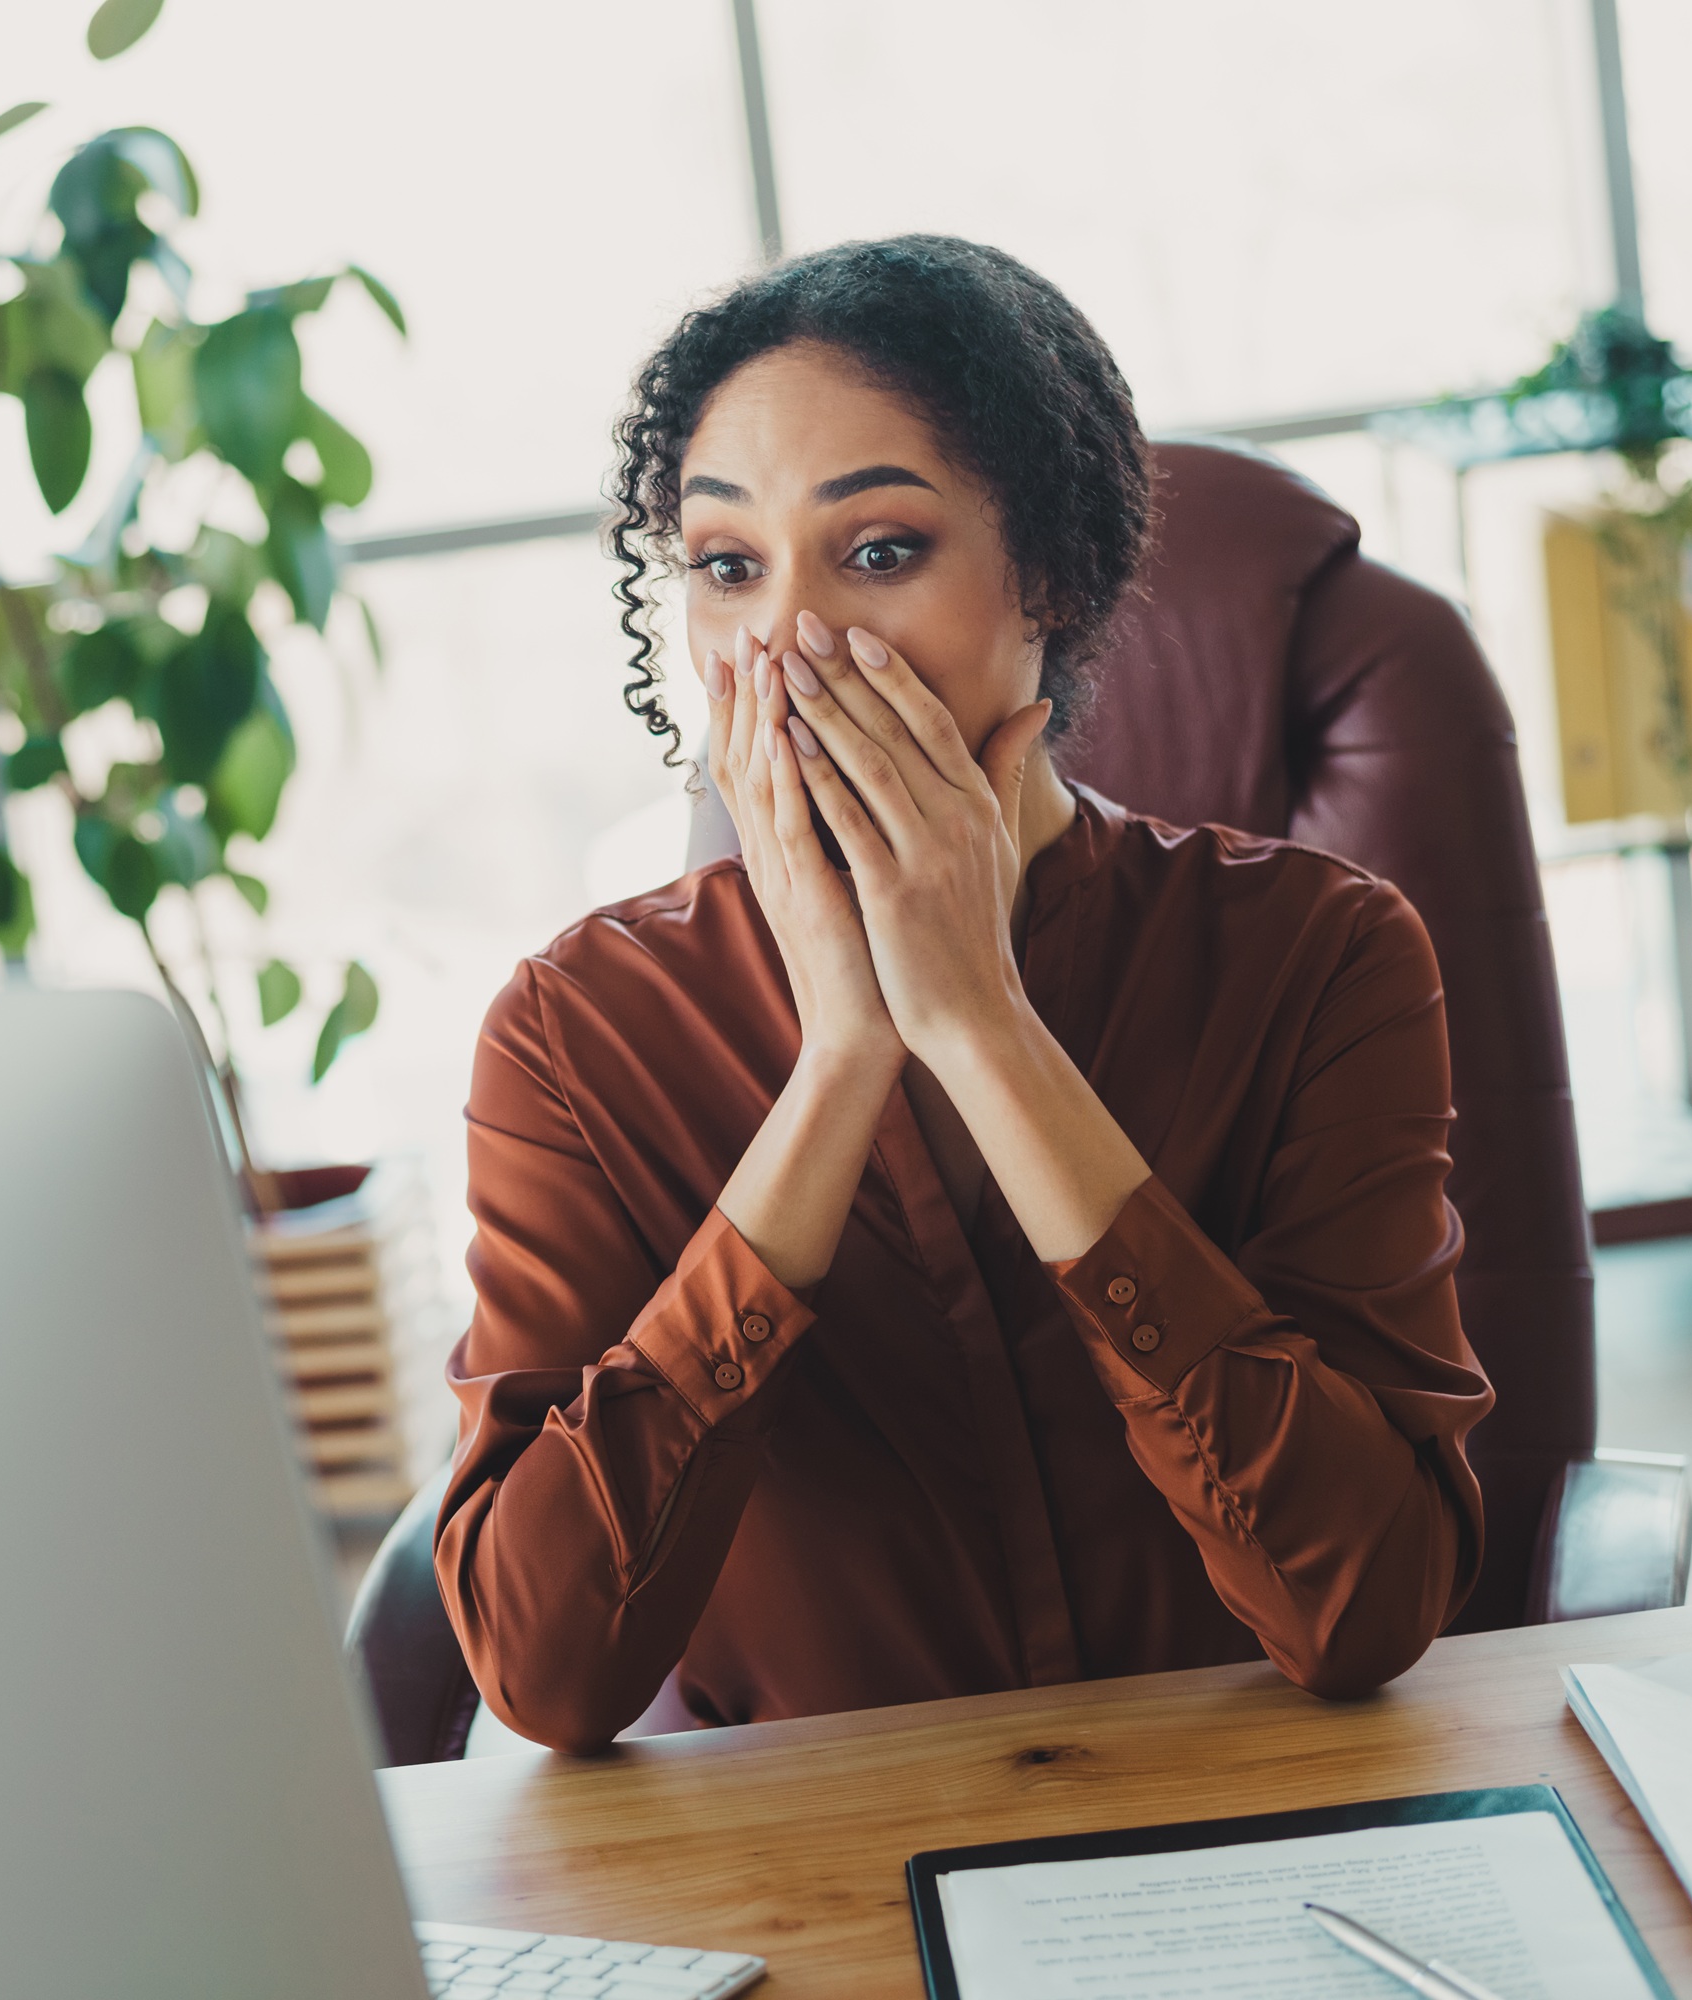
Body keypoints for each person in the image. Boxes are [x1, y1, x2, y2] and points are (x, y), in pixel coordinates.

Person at [435, 236, 1497, 1754]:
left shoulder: (1321, 956)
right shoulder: (574, 1036)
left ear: (1050, 579)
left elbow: (1366, 1612)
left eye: (877, 552)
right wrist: (842, 1064)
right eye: (729, 567)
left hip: (1247, 1843)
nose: (790, 645)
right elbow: (546, 1676)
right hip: (819, 1893)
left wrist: (984, 1031)